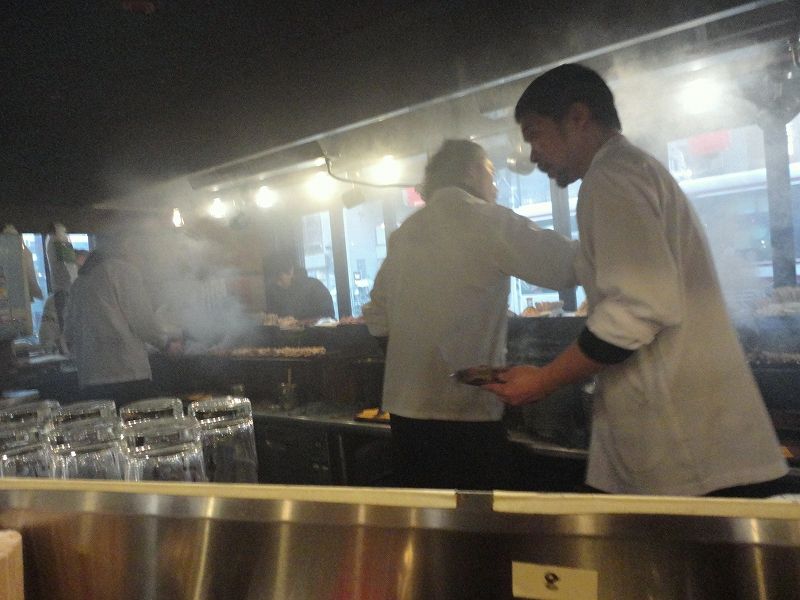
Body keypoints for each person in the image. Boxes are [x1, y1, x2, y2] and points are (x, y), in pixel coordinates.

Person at [485, 63, 789, 497]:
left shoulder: (611, 177)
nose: (533, 155)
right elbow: (593, 270)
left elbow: (636, 308)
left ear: (578, 117)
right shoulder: (629, 170)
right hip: (690, 441)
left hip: (685, 448)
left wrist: (544, 380)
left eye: (535, 135)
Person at [362, 139, 578, 490]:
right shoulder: (487, 220)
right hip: (466, 414)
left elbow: (376, 315)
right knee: (477, 516)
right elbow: (566, 265)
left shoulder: (405, 233)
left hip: (405, 416)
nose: (495, 187)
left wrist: (417, 364)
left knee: (426, 514)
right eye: (491, 174)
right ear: (472, 171)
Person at [63, 230, 182, 404]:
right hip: (127, 374)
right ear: (126, 246)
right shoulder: (122, 271)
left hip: (90, 379)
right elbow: (142, 321)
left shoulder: (79, 283)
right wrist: (166, 344)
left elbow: (68, 333)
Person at [264, 254, 335, 322]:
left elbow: (328, 318)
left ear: (291, 271)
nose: (277, 283)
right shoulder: (273, 292)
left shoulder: (315, 287)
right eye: (274, 280)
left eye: (280, 278)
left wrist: (297, 323)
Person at [45, 222, 78, 331]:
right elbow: (67, 269)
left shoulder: (52, 241)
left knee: (65, 321)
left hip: (61, 288)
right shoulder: (57, 241)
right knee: (66, 321)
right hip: (64, 288)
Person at [2, 225, 43, 302]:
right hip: (18, 294)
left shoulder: (23, 255)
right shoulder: (24, 255)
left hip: (14, 294)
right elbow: (30, 275)